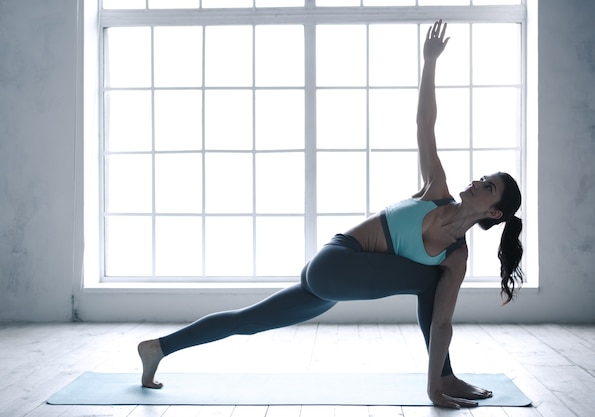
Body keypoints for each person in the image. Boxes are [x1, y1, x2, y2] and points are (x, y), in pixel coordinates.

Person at [138, 19, 524, 409]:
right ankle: (442, 379)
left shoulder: (456, 257)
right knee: (429, 280)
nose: (476, 182)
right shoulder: (435, 190)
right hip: (336, 262)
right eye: (481, 177)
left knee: (246, 321)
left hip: (328, 285)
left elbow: (442, 323)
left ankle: (157, 348)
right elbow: (425, 123)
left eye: (487, 186)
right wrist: (430, 62)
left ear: (493, 211)